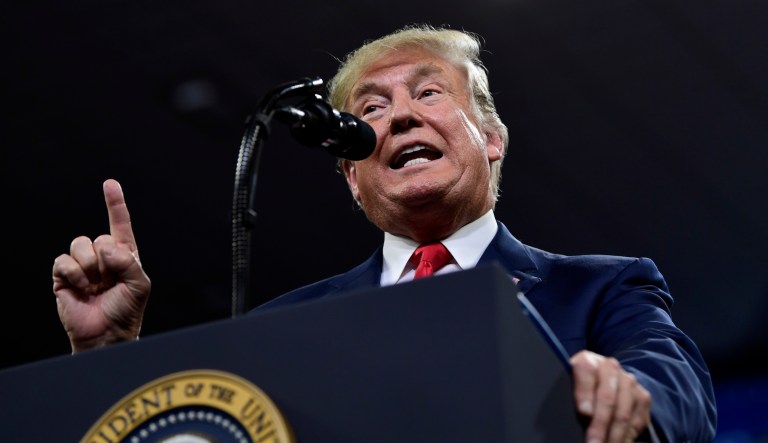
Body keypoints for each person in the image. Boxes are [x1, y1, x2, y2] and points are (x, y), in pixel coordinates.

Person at [52, 24, 717, 443]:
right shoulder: (283, 325)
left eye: (428, 94)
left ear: (491, 139)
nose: (398, 118)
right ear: (351, 178)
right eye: (371, 108)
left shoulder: (599, 287)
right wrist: (109, 360)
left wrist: (630, 393)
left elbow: (680, 397)